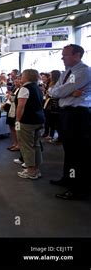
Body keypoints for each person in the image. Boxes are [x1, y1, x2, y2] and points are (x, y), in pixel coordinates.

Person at [48, 44, 91, 200]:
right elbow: (53, 91)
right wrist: (66, 92)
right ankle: (68, 178)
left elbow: (59, 91)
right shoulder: (67, 72)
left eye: (65, 55)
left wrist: (63, 92)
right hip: (66, 114)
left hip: (78, 115)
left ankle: (77, 188)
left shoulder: (83, 71)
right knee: (69, 150)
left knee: (77, 153)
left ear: (77, 55)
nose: (62, 57)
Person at [15, 69, 45, 180]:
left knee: (26, 146)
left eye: (22, 75)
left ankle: (31, 171)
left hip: (27, 121)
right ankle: (36, 169)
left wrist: (17, 121)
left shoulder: (25, 88)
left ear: (27, 77)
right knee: (36, 144)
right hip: (39, 119)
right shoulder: (38, 88)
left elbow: (21, 106)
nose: (20, 77)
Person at [4, 77, 22, 153]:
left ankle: (19, 145)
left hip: (16, 111)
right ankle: (15, 143)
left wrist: (10, 97)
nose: (15, 83)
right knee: (11, 127)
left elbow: (17, 100)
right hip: (11, 110)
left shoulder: (22, 90)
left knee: (17, 128)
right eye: (15, 81)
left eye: (17, 81)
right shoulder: (15, 89)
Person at [42, 70, 61, 142]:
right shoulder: (52, 83)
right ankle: (51, 135)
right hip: (50, 103)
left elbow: (53, 94)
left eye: (50, 75)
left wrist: (46, 91)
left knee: (55, 121)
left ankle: (54, 136)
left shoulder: (57, 84)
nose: (49, 77)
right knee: (50, 120)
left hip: (54, 104)